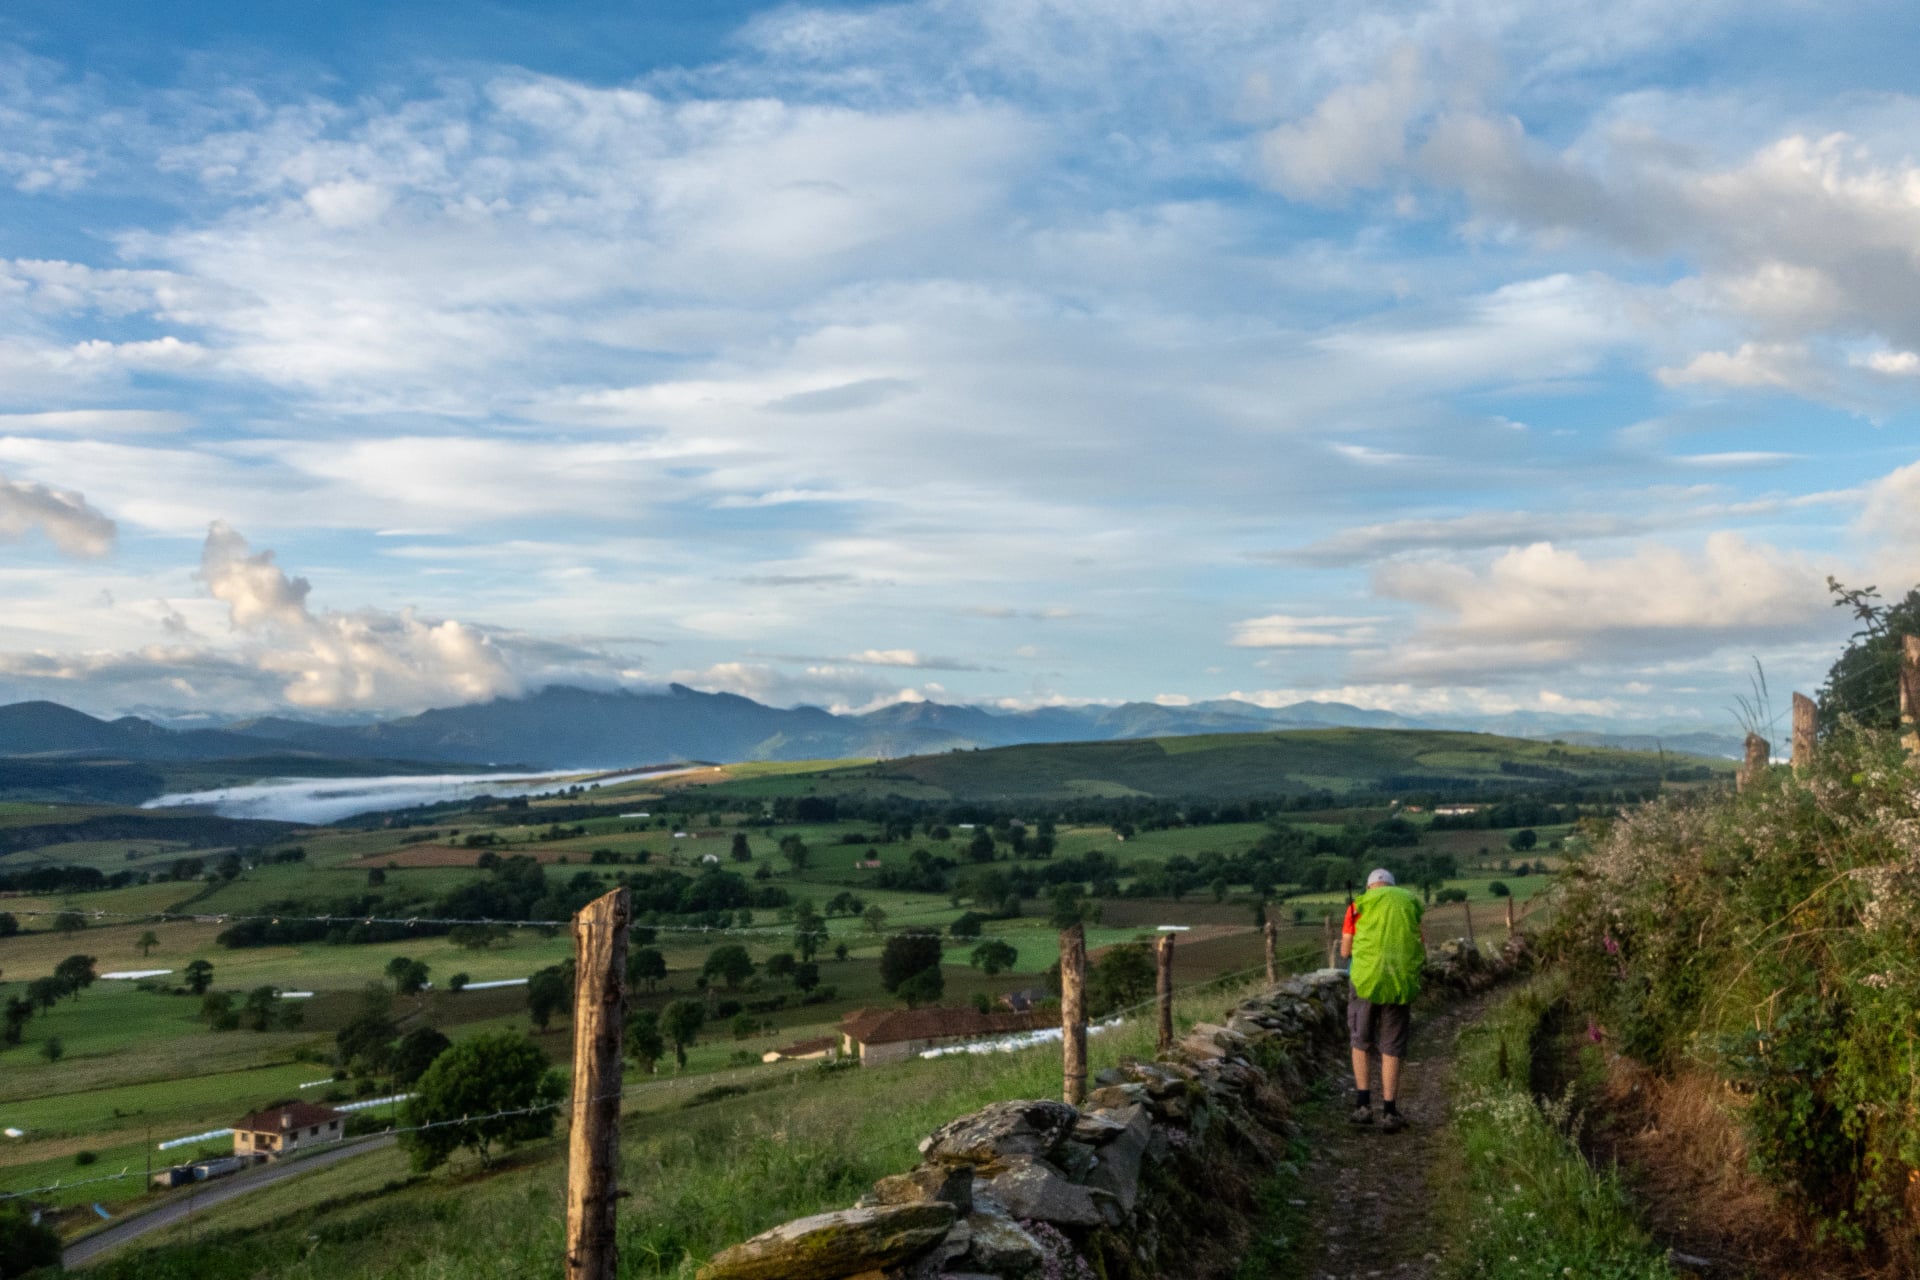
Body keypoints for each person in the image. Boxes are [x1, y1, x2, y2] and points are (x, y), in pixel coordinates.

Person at [1341, 867, 1426, 1133]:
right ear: (1392, 887)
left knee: (1360, 1041)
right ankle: (1390, 1111)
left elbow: (1345, 951)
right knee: (1391, 1046)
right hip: (1398, 982)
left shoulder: (1358, 905)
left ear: (1369, 887)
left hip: (1365, 981)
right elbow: (1420, 947)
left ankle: (1363, 1106)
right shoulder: (1406, 904)